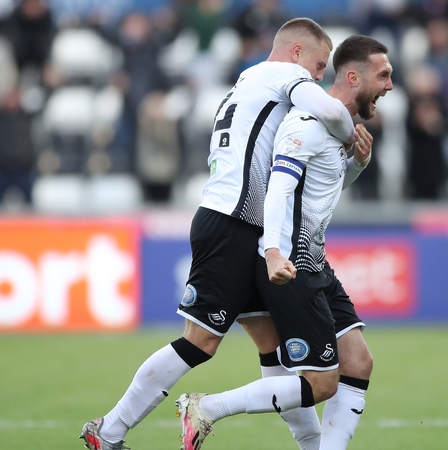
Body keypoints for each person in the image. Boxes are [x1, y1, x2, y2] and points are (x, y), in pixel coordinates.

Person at [79, 18, 361, 450]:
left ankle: (313, 446)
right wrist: (349, 138)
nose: (319, 77)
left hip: (239, 224)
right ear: (297, 52)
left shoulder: (246, 83)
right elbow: (329, 111)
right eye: (319, 65)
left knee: (272, 348)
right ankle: (110, 429)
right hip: (231, 222)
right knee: (201, 341)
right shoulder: (283, 75)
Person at [175, 34, 393, 450]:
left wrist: (359, 164)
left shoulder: (334, 131)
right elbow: (279, 189)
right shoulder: (306, 123)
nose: (389, 85)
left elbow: (325, 190)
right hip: (290, 263)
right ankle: (207, 407)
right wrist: (274, 252)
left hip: (315, 261)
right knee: (321, 381)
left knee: (359, 361)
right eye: (383, 75)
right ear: (352, 76)